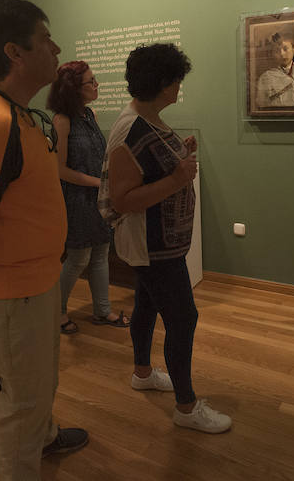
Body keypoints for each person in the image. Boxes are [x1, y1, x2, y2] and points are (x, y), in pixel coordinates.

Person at [0, 0, 88, 478]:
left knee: (39, 385)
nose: (56, 48)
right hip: (9, 295)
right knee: (20, 404)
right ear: (16, 52)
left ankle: (44, 438)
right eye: (46, 39)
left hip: (36, 283)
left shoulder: (18, 114)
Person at [100, 43, 232, 434]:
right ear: (161, 83)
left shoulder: (149, 118)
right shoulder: (131, 129)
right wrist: (177, 177)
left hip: (160, 241)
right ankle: (187, 408)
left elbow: (149, 169)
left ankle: (143, 372)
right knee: (183, 317)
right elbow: (123, 199)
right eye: (176, 81)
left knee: (146, 307)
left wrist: (179, 155)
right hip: (152, 244)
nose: (179, 88)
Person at [47, 60, 129, 334]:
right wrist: (100, 183)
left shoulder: (88, 115)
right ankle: (55, 313)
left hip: (96, 197)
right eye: (91, 82)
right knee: (78, 258)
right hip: (77, 199)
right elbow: (60, 169)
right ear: (74, 88)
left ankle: (102, 311)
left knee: (101, 254)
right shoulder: (62, 120)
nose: (97, 85)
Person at [256, 32, 294, 107]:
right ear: (272, 54)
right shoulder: (265, 78)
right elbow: (261, 105)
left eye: (285, 49)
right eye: (277, 51)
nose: (282, 54)